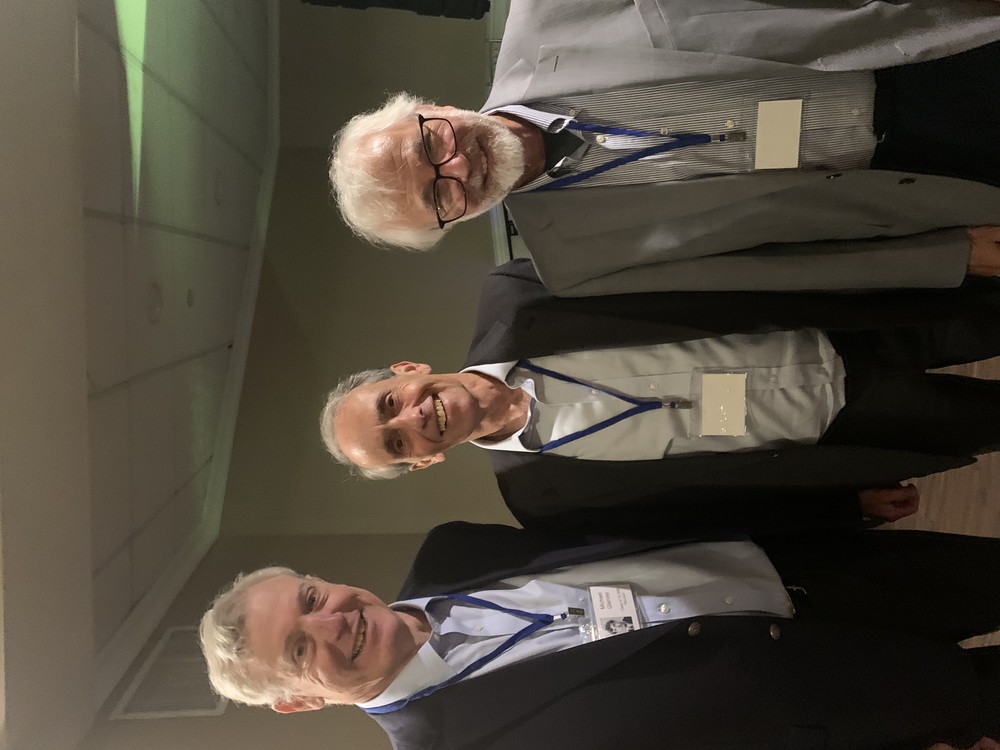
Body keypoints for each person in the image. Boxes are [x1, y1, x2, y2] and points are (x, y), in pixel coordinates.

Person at [329, 1, 1000, 295]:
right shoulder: (577, 263)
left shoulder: (556, 11)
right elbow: (776, 270)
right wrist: (947, 254)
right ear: (454, 222)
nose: (458, 166)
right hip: (914, 185)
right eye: (439, 196)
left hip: (924, 51)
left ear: (433, 107)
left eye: (431, 144)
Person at [322, 260, 1000, 533]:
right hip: (840, 431)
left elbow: (679, 261)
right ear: (423, 460)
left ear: (406, 369)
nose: (414, 415)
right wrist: (841, 507)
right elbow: (704, 514)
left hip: (842, 318)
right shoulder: (541, 501)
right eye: (397, 442)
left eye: (390, 403)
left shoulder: (517, 294)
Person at [199, 519, 1000, 749]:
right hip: (840, 708)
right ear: (299, 702)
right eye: (299, 648)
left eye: (310, 597)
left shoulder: (451, 550)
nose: (332, 618)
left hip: (815, 573)